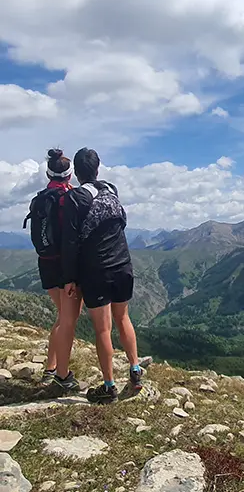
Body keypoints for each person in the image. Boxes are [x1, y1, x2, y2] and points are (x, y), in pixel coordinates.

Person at [59, 147, 142, 404]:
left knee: (103, 330)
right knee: (123, 317)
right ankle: (135, 371)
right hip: (123, 264)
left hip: (96, 271)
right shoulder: (111, 189)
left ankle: (109, 387)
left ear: (76, 172)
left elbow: (71, 242)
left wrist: (70, 277)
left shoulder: (76, 198)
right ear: (98, 168)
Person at [23, 149, 82, 385]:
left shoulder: (39, 199)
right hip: (65, 265)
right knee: (68, 317)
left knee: (62, 316)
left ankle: (51, 367)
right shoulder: (71, 198)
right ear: (70, 176)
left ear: (48, 173)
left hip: (45, 262)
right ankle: (58, 374)